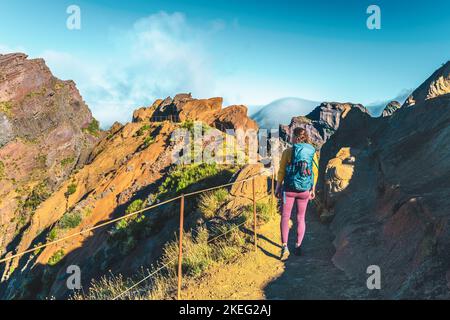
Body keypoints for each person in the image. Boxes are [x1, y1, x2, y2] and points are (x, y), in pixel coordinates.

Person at [275, 127, 319, 260]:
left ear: (295, 137)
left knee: (285, 217)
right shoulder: (312, 152)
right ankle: (298, 246)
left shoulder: (288, 151)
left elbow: (281, 171)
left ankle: (284, 247)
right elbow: (315, 172)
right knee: (301, 218)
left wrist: (278, 187)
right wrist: (312, 188)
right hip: (304, 190)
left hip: (288, 189)